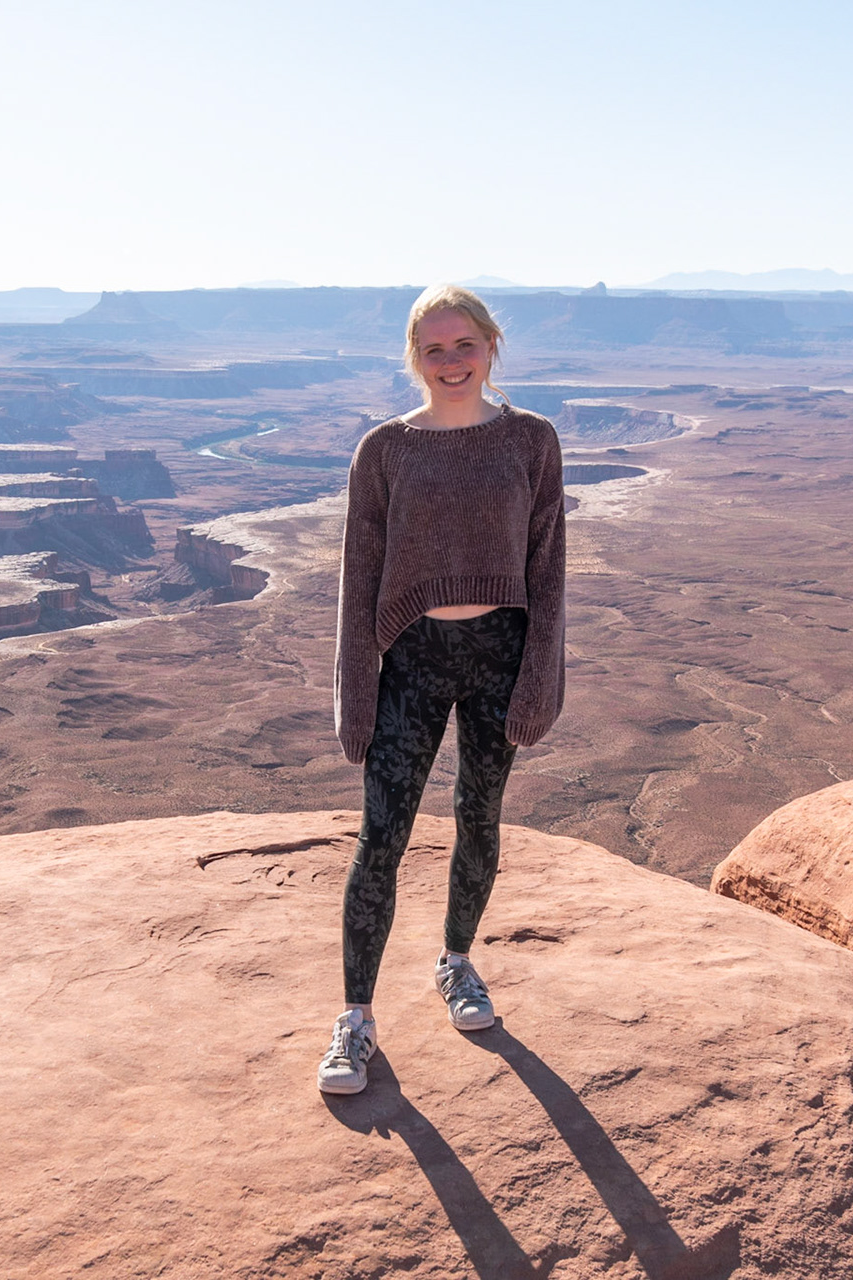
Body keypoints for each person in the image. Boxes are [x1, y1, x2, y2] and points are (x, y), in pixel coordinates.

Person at [318, 284, 567, 1095]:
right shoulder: (385, 451)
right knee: (380, 837)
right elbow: (360, 579)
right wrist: (356, 694)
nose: (452, 361)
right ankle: (355, 1020)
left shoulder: (531, 441)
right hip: (413, 655)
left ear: (492, 346)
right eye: (435, 349)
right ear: (414, 359)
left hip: (501, 652)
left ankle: (457, 962)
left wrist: (540, 679)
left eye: (466, 345)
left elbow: (547, 568)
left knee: (478, 817)